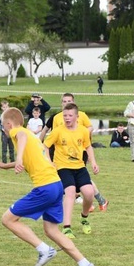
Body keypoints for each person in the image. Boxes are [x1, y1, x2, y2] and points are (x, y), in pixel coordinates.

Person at [0, 107, 96, 266]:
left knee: (8, 219)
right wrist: (6, 165)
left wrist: (18, 158)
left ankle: (43, 249)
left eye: (3, 125)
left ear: (9, 124)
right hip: (56, 184)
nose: (3, 129)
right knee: (51, 230)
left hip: (45, 187)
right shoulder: (31, 137)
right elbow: (30, 158)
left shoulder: (17, 132)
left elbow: (21, 136)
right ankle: (85, 264)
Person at [40, 93, 109, 211]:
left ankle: (94, 199)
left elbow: (90, 128)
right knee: (63, 178)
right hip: (61, 153)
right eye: (64, 101)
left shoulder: (81, 115)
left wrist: (82, 135)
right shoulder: (57, 117)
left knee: (79, 178)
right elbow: (53, 134)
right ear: (61, 103)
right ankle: (90, 200)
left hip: (79, 152)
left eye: (69, 101)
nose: (67, 103)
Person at [43, 103, 100, 240]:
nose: (67, 118)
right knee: (70, 191)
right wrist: (50, 162)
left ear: (76, 116)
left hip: (80, 167)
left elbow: (88, 147)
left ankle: (84, 217)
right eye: (65, 116)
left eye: (69, 115)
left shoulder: (83, 131)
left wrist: (93, 162)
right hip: (63, 167)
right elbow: (45, 146)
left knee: (89, 193)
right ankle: (66, 227)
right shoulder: (57, 131)